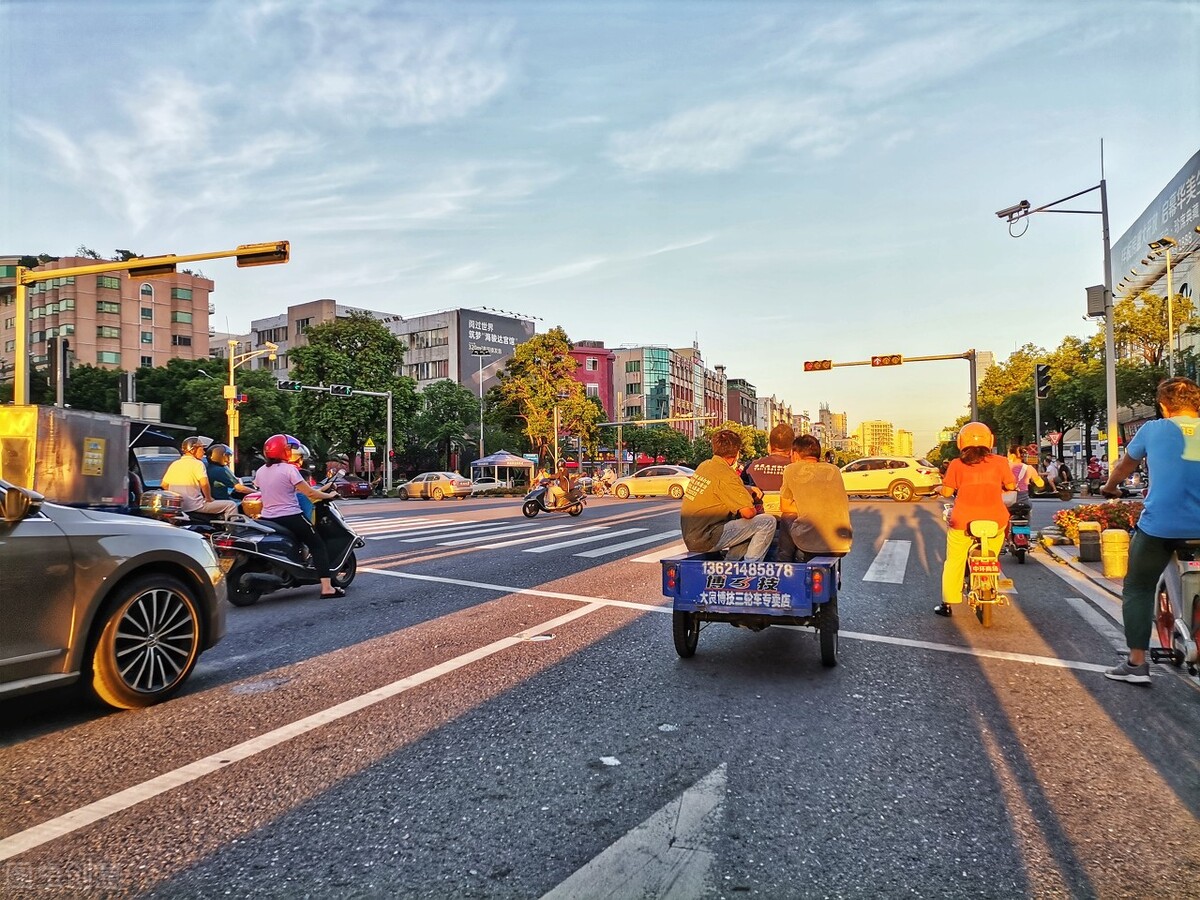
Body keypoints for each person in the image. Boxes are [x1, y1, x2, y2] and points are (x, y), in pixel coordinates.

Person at [1100, 376, 1200, 684]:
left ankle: (1136, 663)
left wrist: (1110, 487)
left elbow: (1123, 468)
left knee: (1138, 587)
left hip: (1161, 527)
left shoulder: (1153, 430)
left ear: (1163, 406)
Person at [935, 422, 1016, 617]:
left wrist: (938, 489)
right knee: (993, 554)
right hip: (996, 521)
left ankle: (948, 603)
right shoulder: (1001, 462)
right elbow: (1011, 486)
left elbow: (946, 492)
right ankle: (989, 576)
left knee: (954, 561)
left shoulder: (956, 464)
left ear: (961, 442)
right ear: (990, 440)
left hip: (962, 521)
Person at [256, 433, 344, 599]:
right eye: (288, 448)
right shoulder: (290, 469)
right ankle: (327, 588)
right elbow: (309, 492)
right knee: (317, 545)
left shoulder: (261, 471)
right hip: (290, 516)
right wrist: (330, 496)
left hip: (267, 517)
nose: (290, 452)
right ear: (282, 451)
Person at [680, 429, 775, 561]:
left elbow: (719, 486)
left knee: (745, 528)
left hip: (692, 535)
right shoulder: (727, 474)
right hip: (707, 537)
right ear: (737, 453)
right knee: (767, 522)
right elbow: (748, 513)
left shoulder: (705, 466)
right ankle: (750, 569)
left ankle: (730, 563)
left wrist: (745, 488)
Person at [778, 435, 852, 562]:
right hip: (842, 543)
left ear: (795, 454)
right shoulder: (834, 469)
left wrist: (805, 506)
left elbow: (784, 506)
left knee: (787, 516)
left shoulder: (791, 469)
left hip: (810, 545)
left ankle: (784, 564)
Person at [161, 436, 238, 518]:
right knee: (231, 505)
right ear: (193, 450)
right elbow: (204, 484)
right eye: (201, 449)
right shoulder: (198, 464)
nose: (204, 452)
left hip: (179, 506)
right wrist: (208, 498)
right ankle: (233, 530)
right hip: (195, 505)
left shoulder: (175, 464)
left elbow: (164, 485)